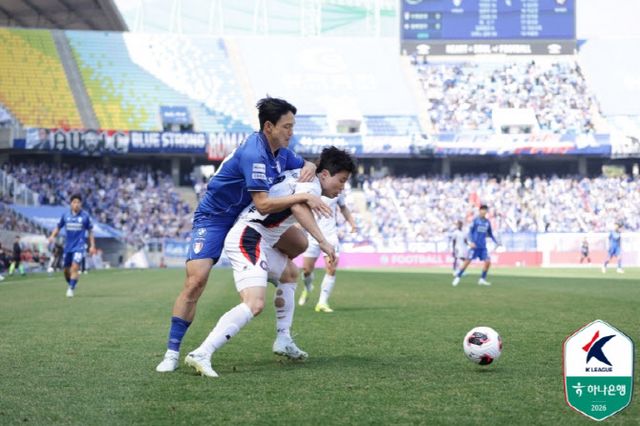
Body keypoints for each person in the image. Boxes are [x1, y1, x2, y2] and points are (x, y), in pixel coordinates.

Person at [156, 97, 331, 373]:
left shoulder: (282, 152)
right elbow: (263, 204)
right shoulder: (255, 153)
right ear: (269, 127)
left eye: (293, 126)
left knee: (299, 244)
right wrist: (303, 197)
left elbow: (304, 165)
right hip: (216, 217)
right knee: (196, 281)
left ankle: (281, 329)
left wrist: (309, 165)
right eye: (287, 126)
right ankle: (171, 353)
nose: (291, 132)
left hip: (247, 219)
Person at [184, 146, 355, 377]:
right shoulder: (312, 184)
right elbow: (298, 206)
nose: (342, 187)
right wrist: (323, 241)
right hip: (248, 237)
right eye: (341, 180)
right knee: (254, 304)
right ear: (324, 174)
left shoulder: (304, 176)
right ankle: (202, 353)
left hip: (260, 239)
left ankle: (284, 339)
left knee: (290, 274)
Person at [298, 190, 357, 313]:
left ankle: (322, 302)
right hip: (312, 235)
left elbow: (343, 207)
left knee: (331, 267)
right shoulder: (311, 188)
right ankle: (308, 287)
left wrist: (352, 223)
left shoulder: (337, 190)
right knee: (306, 270)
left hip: (330, 235)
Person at [48, 194, 97, 297]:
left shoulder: (85, 216)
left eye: (78, 202)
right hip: (68, 247)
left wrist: (92, 246)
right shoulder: (65, 215)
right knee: (66, 270)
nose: (76, 204)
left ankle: (71, 288)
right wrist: (52, 236)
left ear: (81, 204)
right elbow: (58, 227)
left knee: (75, 267)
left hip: (79, 246)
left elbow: (90, 231)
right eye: (74, 202)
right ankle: (72, 282)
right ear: (71, 204)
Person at [452, 205, 499, 287]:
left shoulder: (487, 222)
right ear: (480, 211)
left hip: (483, 246)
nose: (484, 211)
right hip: (475, 246)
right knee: (467, 261)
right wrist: (471, 242)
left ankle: (482, 279)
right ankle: (458, 277)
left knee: (488, 262)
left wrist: (496, 241)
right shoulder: (475, 221)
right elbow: (470, 232)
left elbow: (490, 233)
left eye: (485, 210)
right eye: (482, 210)